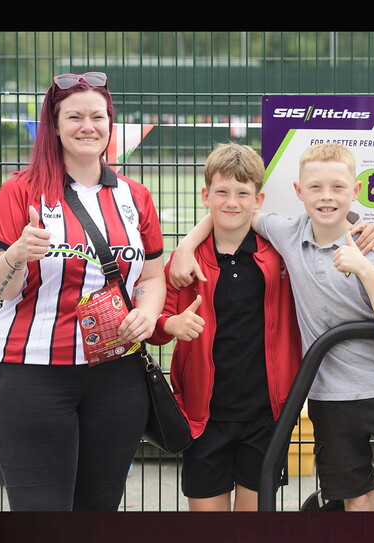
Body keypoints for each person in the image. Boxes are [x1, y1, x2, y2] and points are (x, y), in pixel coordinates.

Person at [171, 142, 374, 512]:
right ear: (299, 192)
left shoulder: (370, 245)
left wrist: (364, 267)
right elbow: (234, 210)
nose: (326, 196)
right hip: (328, 396)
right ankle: (348, 496)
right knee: (357, 503)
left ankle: (347, 496)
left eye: (337, 187)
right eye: (315, 187)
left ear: (355, 191)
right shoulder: (286, 233)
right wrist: (186, 245)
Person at [0, 71, 165, 511]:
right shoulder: (19, 191)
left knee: (98, 512)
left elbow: (153, 276)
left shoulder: (135, 197)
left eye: (97, 116)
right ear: (55, 126)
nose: (88, 126)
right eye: (74, 117)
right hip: (31, 375)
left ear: (110, 124)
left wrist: (149, 313)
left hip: (117, 377)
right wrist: (17, 254)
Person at [147, 142, 303, 511]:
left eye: (242, 193)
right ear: (205, 195)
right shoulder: (184, 262)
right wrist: (172, 324)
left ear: (258, 198)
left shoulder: (280, 253)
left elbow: (328, 232)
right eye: (222, 192)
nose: (232, 202)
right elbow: (152, 326)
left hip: (267, 416)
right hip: (204, 417)